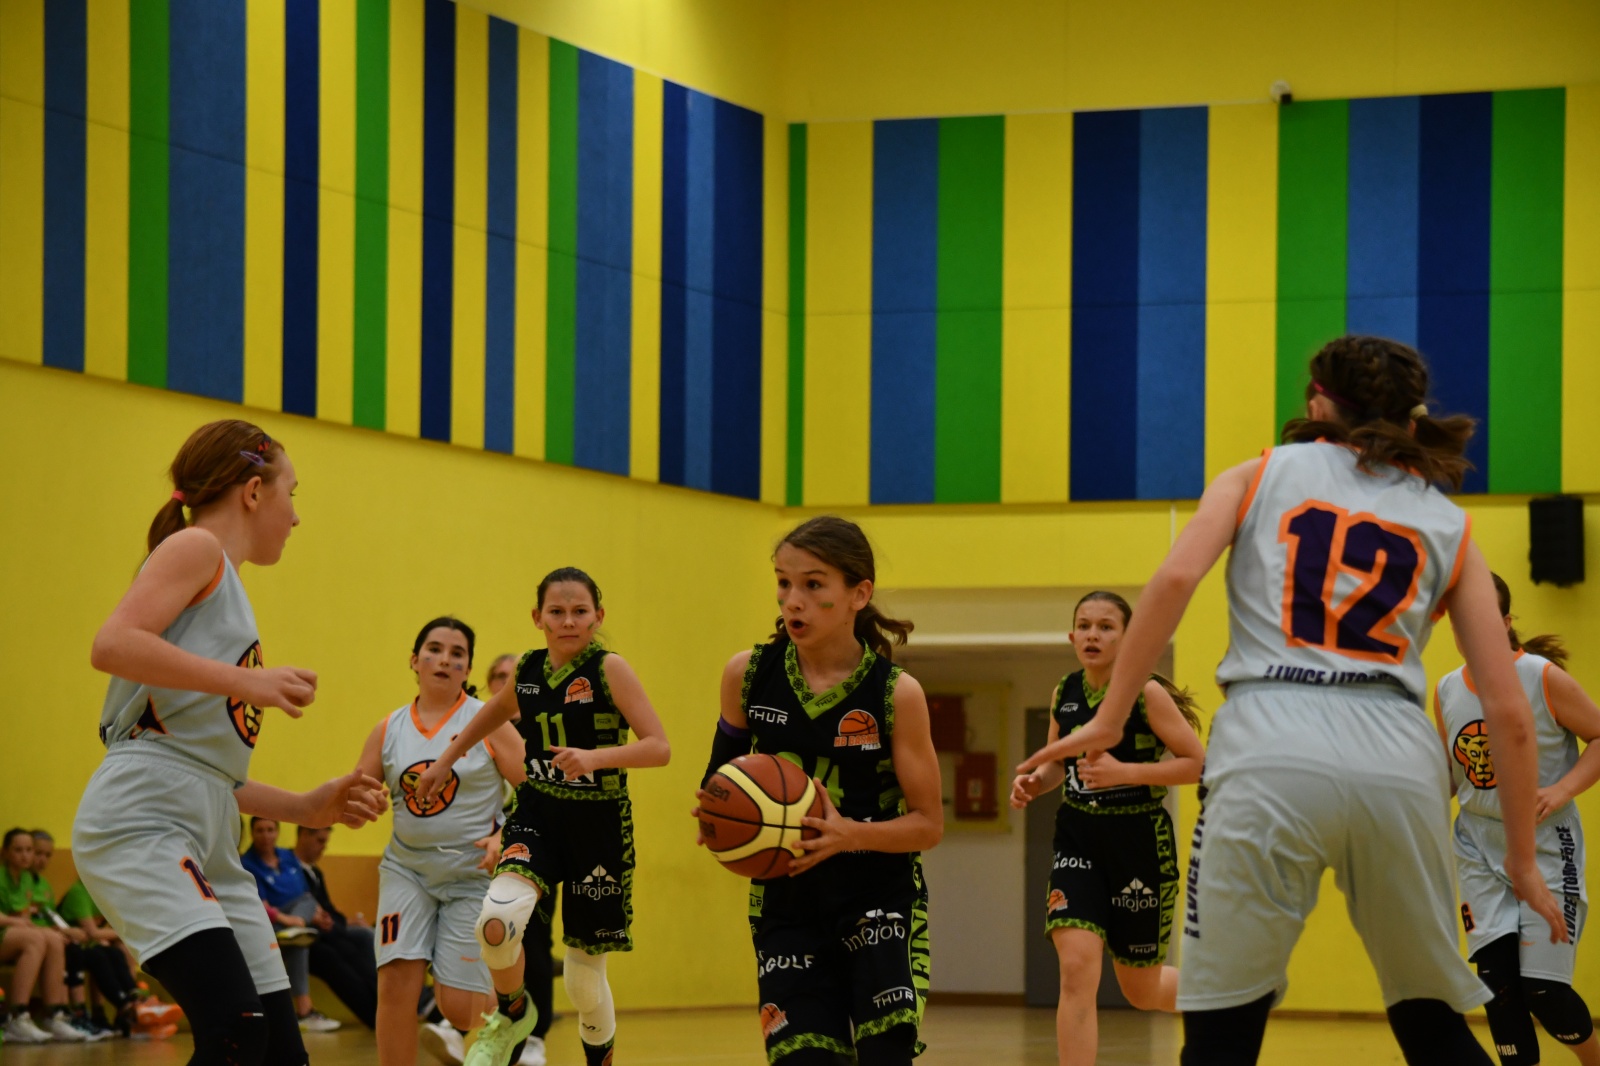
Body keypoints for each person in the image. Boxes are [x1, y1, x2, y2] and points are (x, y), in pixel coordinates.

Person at [1020, 335, 1568, 1066]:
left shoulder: (1257, 474)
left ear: (1316, 401)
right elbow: (1508, 711)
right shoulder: (1447, 521)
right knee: (1432, 1024)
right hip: (1398, 756)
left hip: (1268, 742)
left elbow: (1174, 581)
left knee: (1221, 1031)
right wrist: (1523, 860)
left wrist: (1110, 716)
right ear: (1410, 418)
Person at [72, 418, 387, 1066]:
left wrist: (304, 806)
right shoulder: (197, 548)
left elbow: (205, 771)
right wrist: (248, 681)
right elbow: (112, 644)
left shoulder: (227, 591)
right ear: (253, 491)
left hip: (206, 827)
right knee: (236, 1029)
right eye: (292, 493)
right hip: (143, 820)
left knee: (279, 1051)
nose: (295, 516)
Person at [695, 516, 943, 1066]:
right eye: (784, 583)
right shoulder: (747, 674)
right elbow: (719, 784)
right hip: (788, 904)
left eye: (812, 584)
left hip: (878, 897)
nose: (793, 600)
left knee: (884, 1055)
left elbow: (929, 825)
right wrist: (717, 819)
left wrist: (847, 834)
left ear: (859, 594)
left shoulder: (896, 694)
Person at [417, 568, 671, 1066]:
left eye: (579, 611)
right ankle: (514, 1014)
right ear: (538, 618)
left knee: (582, 982)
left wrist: (595, 758)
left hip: (598, 826)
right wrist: (446, 760)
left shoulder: (610, 669)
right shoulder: (529, 669)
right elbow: (490, 712)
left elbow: (659, 747)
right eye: (557, 611)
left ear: (598, 616)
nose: (568, 621)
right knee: (496, 923)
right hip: (539, 814)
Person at [1010, 591, 1205, 1066]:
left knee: (1141, 990)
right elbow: (1059, 764)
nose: (1092, 634)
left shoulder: (1147, 693)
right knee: (1076, 970)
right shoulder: (1065, 692)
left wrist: (1125, 773)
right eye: (1084, 625)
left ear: (1128, 637)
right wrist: (1036, 781)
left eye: (1105, 626)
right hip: (1078, 839)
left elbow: (1198, 764)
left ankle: (1231, 997)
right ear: (1072, 636)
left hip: (1139, 844)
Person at [1436, 574, 1600, 1066]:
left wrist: (1563, 789)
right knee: (1498, 989)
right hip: (1477, 847)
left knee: (1545, 992)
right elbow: (1452, 776)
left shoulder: (1541, 677)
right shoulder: (1446, 689)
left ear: (1505, 622)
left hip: (1546, 843)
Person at [356, 617, 526, 1066]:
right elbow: (357, 794)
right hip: (406, 870)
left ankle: (512, 1006)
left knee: (460, 1010)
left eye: (457, 653)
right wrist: (362, 801)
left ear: (467, 668)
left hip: (470, 873)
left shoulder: (489, 722)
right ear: (415, 661)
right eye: (434, 649)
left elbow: (536, 793)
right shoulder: (388, 729)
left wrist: (503, 834)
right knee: (395, 982)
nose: (445, 660)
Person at [482, 653, 557, 1066]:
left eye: (513, 676)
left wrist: (505, 834)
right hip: (475, 852)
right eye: (498, 676)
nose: (505, 682)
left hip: (538, 848)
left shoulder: (544, 730)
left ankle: (537, 1034)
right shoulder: (477, 730)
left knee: (534, 941)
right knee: (482, 937)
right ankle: (460, 1023)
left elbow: (543, 799)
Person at [29, 829, 150, 1039]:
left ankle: (130, 1003)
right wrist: (119, 934)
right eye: (37, 853)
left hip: (68, 939)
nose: (42, 859)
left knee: (117, 952)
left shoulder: (46, 885)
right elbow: (92, 932)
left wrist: (116, 936)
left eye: (47, 855)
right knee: (98, 955)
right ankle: (121, 1008)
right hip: (65, 942)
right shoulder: (79, 891)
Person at [240, 817, 340, 1032]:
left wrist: (315, 915)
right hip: (272, 923)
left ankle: (296, 931)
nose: (265, 835)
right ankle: (305, 1011)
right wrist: (291, 921)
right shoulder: (247, 863)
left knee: (308, 908)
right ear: (252, 834)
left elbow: (306, 895)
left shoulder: (288, 857)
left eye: (270, 830)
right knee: (300, 943)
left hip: (299, 916)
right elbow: (261, 906)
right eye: (260, 830)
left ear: (277, 832)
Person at [293, 825, 379, 1031]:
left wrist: (339, 922)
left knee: (365, 936)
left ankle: (391, 1003)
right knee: (335, 954)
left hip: (326, 931)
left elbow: (329, 908)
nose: (324, 847)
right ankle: (376, 1014)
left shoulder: (315, 871)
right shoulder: (289, 868)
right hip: (305, 934)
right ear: (304, 835)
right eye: (320, 841)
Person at [0, 828, 79, 1042]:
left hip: (12, 935)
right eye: (18, 850)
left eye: (29, 850)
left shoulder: (27, 879)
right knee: (35, 939)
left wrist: (48, 929)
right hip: (5, 931)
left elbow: (25, 917)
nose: (25, 855)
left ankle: (54, 1015)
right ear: (5, 852)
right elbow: (18, 920)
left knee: (54, 939)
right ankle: (17, 1016)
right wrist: (16, 921)